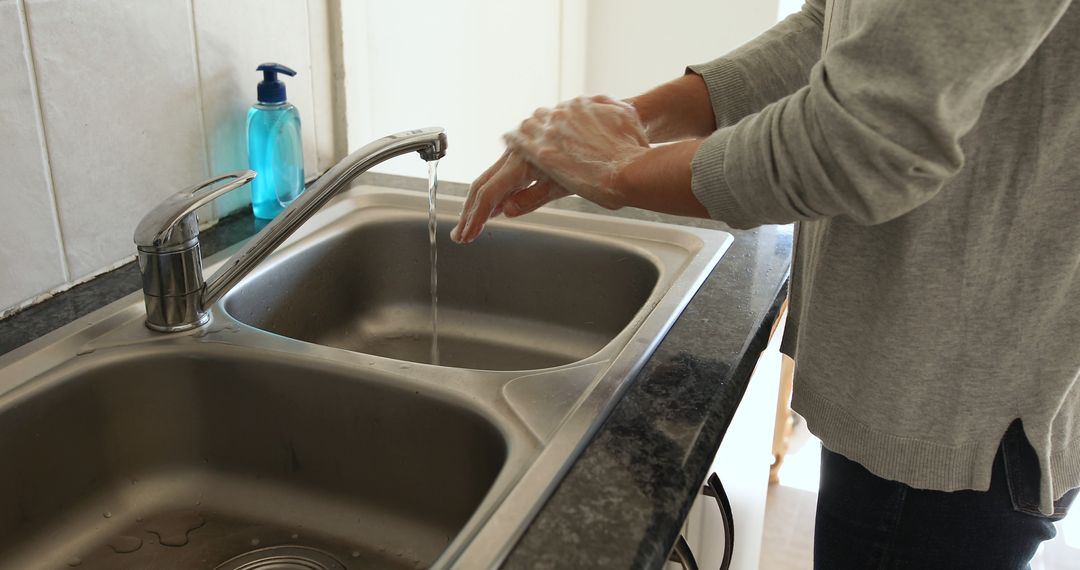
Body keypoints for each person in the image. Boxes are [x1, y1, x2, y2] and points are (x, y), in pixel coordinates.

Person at [451, 0, 1080, 567]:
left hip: (952, 403)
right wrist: (630, 122)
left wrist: (621, 169)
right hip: (934, 369)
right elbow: (833, 26)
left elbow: (859, 142)